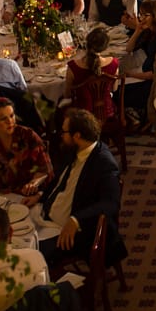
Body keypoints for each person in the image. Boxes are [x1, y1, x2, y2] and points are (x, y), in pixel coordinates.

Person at [34, 109, 126, 267]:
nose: (61, 135)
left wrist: (76, 220)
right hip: (45, 216)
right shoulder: (74, 150)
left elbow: (111, 203)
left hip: (71, 231)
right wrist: (40, 196)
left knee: (30, 255)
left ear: (77, 136)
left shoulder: (103, 163)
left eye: (63, 132)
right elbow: (59, 182)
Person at [0, 97, 53, 196]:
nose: (10, 121)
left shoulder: (28, 136)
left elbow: (45, 170)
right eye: (3, 118)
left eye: (11, 116)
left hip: (25, 197)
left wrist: (33, 184)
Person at [121, 0, 156, 121]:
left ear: (155, 16)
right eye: (140, 15)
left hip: (155, 85)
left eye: (145, 15)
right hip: (148, 74)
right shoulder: (152, 31)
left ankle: (134, 117)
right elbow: (129, 49)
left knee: (118, 92)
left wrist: (132, 74)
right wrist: (137, 30)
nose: (141, 18)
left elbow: (154, 74)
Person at [65, 26, 120, 118]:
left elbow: (67, 94)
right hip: (108, 113)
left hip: (82, 117)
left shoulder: (73, 67)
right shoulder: (113, 64)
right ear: (105, 47)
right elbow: (114, 89)